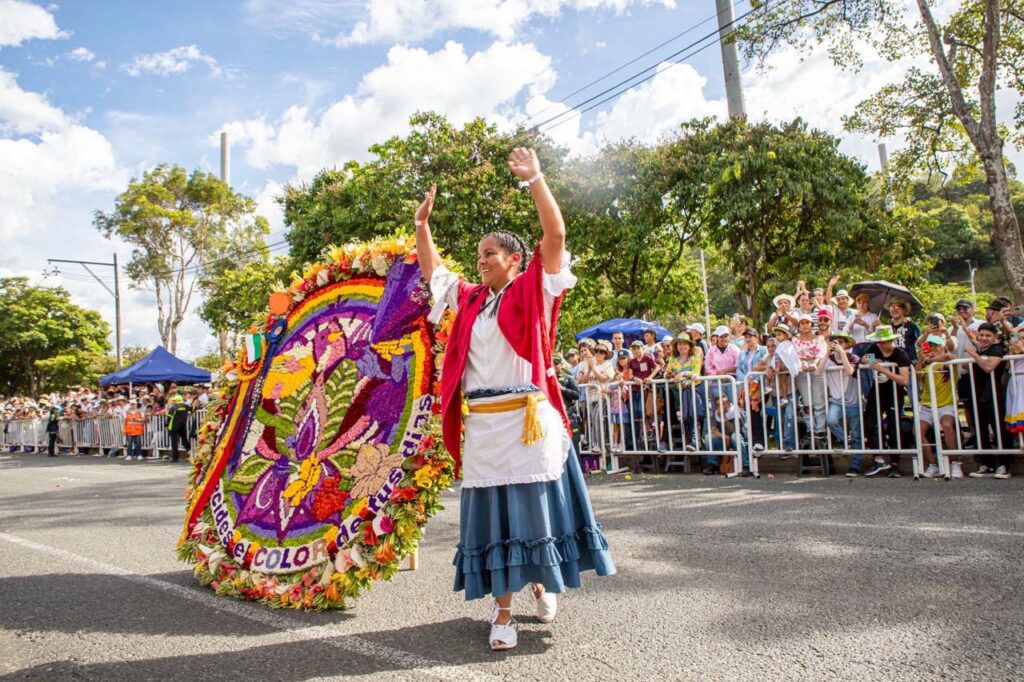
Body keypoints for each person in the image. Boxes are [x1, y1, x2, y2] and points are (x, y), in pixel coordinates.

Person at [415, 147, 615, 650]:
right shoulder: (470, 300)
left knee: (530, 515)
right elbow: (434, 271)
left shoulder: (534, 291)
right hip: (484, 423)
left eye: (490, 253)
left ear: (514, 260)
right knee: (494, 521)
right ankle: (502, 612)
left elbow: (556, 236)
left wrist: (536, 179)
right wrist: (422, 226)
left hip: (526, 420)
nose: (481, 260)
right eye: (479, 254)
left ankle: (540, 584)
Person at [861, 325, 912, 477]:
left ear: (891, 340)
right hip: (877, 391)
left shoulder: (900, 354)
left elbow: (904, 380)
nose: (880, 344)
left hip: (894, 393)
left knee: (893, 425)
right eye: (878, 341)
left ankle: (895, 463)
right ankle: (878, 459)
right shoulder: (873, 348)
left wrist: (884, 370)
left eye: (883, 341)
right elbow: (864, 359)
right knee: (869, 421)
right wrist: (865, 360)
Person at [964, 322, 1011, 479]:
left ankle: (1003, 465)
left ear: (995, 337)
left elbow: (989, 367)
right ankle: (986, 464)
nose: (984, 338)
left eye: (988, 336)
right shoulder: (980, 348)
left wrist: (974, 356)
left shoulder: (997, 349)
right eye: (982, 335)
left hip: (994, 395)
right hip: (977, 395)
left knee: (999, 429)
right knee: (980, 429)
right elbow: (978, 348)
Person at [818, 332, 863, 472]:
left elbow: (850, 371)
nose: (837, 345)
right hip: (836, 401)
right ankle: (845, 440)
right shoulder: (828, 359)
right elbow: (818, 372)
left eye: (841, 342)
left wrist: (842, 353)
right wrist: (827, 352)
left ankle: (855, 465)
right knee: (831, 421)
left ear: (847, 345)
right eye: (835, 342)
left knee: (857, 435)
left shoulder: (853, 357)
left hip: (854, 401)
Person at [915, 340, 959, 479]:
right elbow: (917, 377)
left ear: (943, 346)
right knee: (918, 430)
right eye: (930, 346)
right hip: (927, 404)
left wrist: (929, 360)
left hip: (946, 404)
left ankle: (955, 463)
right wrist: (921, 360)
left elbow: (950, 357)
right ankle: (932, 464)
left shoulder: (948, 361)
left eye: (936, 345)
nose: (933, 348)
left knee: (947, 425)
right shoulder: (926, 363)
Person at [792, 313, 828, 446]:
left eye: (807, 322)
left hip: (816, 368)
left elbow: (821, 352)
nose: (805, 325)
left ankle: (820, 428)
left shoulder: (819, 338)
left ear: (811, 324)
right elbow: (794, 353)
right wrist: (802, 363)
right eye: (802, 323)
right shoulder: (794, 340)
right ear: (799, 325)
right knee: (807, 401)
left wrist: (815, 363)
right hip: (802, 369)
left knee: (818, 399)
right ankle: (810, 428)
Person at [664, 333, 704, 451]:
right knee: (684, 416)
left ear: (689, 346)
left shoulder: (695, 357)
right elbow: (666, 372)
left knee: (693, 414)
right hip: (680, 391)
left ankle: (695, 441)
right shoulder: (673, 359)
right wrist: (669, 375)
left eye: (684, 344)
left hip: (694, 389)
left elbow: (696, 373)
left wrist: (682, 373)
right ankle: (689, 442)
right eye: (679, 344)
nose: (682, 346)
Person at [888, 299, 921, 363]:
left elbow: (921, 344)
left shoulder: (912, 326)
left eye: (898, 308)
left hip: (909, 363)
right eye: (892, 307)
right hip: (892, 364)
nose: (894, 310)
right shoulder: (887, 328)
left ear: (904, 310)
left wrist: (921, 361)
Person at [165, 394, 191, 462]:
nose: (173, 402)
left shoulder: (174, 407)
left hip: (173, 426)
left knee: (174, 442)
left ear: (177, 400)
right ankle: (190, 451)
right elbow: (192, 410)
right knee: (184, 439)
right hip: (182, 426)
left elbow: (169, 417)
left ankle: (175, 458)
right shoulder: (186, 406)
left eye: (174, 401)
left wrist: (166, 425)